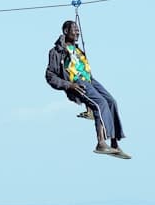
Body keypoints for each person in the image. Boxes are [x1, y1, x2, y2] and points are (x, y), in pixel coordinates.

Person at [46, 20, 130, 159]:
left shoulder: (77, 49)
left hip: (89, 79)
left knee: (111, 102)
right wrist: (69, 85)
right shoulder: (57, 51)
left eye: (78, 29)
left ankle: (114, 144)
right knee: (100, 104)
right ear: (66, 31)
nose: (77, 32)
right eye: (74, 29)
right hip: (76, 82)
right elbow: (50, 76)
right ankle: (101, 143)